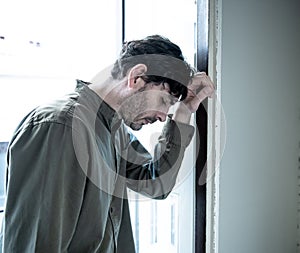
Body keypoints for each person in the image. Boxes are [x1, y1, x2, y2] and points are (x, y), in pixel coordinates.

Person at [0, 35, 214, 253]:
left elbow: (156, 183)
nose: (162, 116)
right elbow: (36, 245)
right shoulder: (60, 126)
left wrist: (185, 110)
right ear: (137, 77)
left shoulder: (115, 130)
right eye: (164, 101)